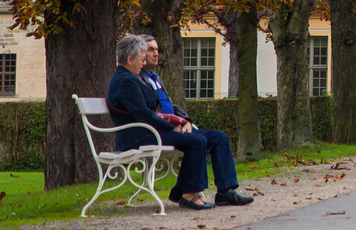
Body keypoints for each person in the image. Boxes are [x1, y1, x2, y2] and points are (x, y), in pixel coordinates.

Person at [106, 34, 252, 210]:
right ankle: (189, 193)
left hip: (150, 131)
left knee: (217, 137)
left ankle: (218, 192)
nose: (143, 63)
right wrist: (173, 126)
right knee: (197, 141)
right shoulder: (127, 81)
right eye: (141, 59)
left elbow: (156, 109)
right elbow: (144, 114)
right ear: (130, 59)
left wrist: (183, 121)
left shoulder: (132, 78)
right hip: (141, 136)